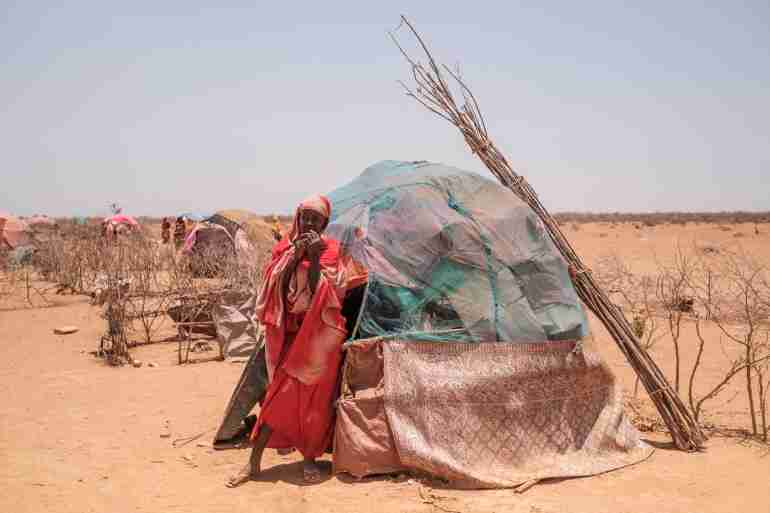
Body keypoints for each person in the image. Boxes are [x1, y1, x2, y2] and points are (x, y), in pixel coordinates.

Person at [227, 194, 367, 487]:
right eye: (306, 217)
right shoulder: (284, 249)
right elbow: (275, 290)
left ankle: (309, 458)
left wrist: (314, 257)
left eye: (316, 219)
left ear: (325, 224)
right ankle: (253, 463)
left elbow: (324, 296)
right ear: (298, 218)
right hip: (291, 337)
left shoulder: (332, 251)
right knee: (278, 398)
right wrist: (294, 258)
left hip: (320, 339)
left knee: (316, 404)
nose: (309, 223)